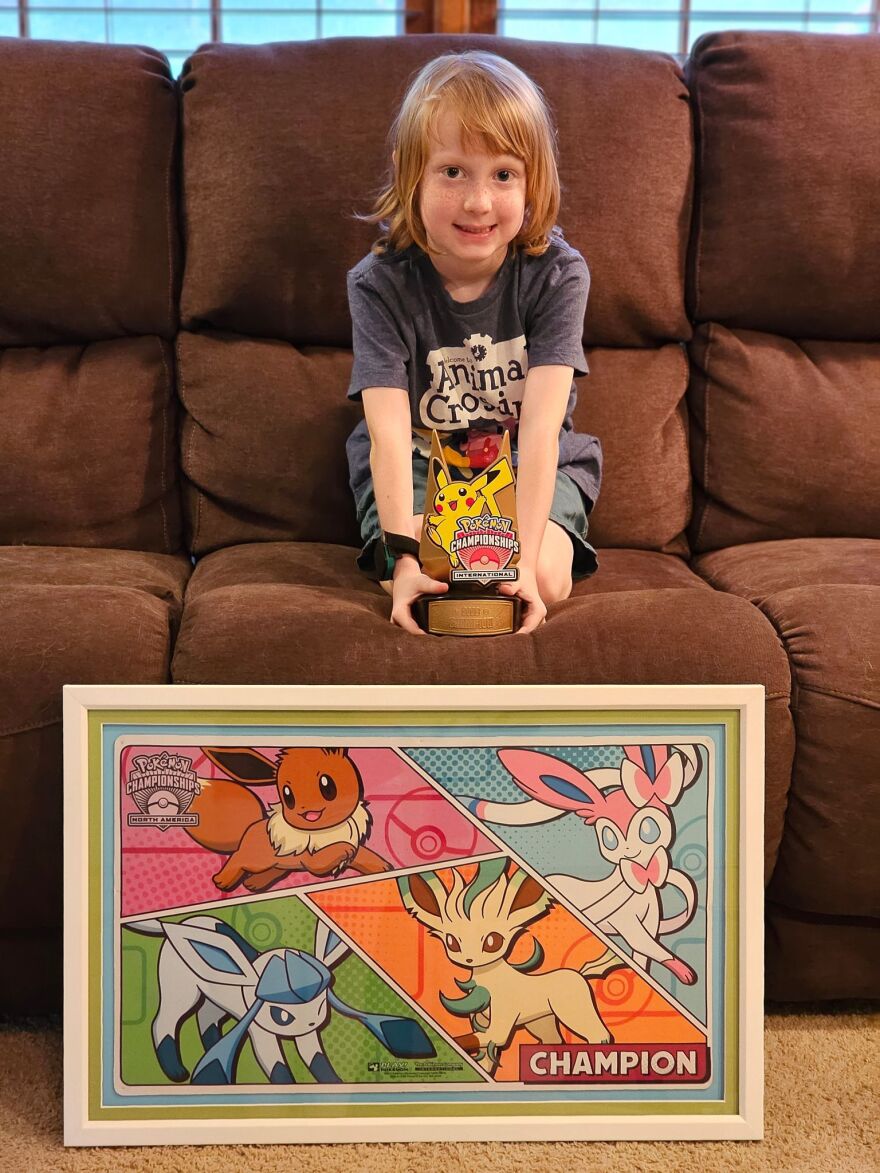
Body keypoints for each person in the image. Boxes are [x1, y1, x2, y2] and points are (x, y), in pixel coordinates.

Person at [345, 50, 602, 636]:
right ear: (411, 172)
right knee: (426, 579)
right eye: (453, 171)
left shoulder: (559, 275)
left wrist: (525, 572)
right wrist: (403, 558)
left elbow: (540, 433)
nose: (479, 202)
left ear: (533, 179)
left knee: (541, 573)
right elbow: (385, 437)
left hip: (524, 461)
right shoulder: (377, 282)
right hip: (418, 458)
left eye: (504, 174)